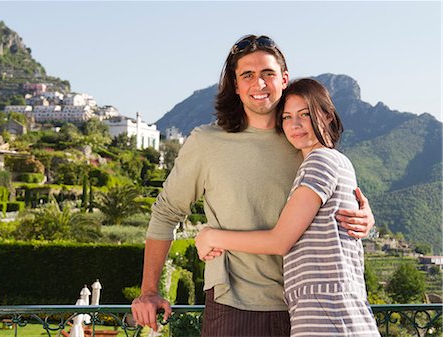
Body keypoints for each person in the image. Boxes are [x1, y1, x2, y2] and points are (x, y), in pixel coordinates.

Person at [131, 34, 375, 337]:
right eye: (248, 75)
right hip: (235, 309)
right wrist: (149, 291)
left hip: (307, 310)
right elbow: (166, 213)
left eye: (268, 74)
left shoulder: (302, 139)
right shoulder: (207, 142)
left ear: (284, 79)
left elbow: (336, 201)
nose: (259, 84)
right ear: (236, 85)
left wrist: (366, 222)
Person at [195, 78, 380, 337]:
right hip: (327, 312)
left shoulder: (320, 161)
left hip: (329, 315)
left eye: (305, 114)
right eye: (287, 117)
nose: (295, 124)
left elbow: (280, 240)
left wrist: (211, 236)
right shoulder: (335, 162)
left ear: (327, 116)